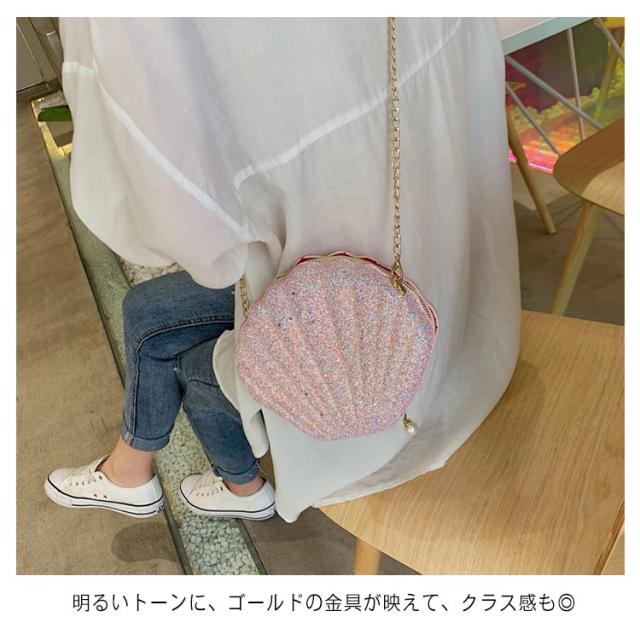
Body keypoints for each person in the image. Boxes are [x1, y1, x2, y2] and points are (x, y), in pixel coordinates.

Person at [46, 17, 521, 524]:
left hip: (343, 307)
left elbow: (189, 240)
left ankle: (221, 482)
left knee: (183, 354)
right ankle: (147, 470)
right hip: (443, 281)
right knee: (148, 311)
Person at [44, 271, 276, 520]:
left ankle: (129, 473)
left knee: (174, 351)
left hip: (294, 297)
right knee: (146, 312)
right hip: (289, 275)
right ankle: (242, 486)